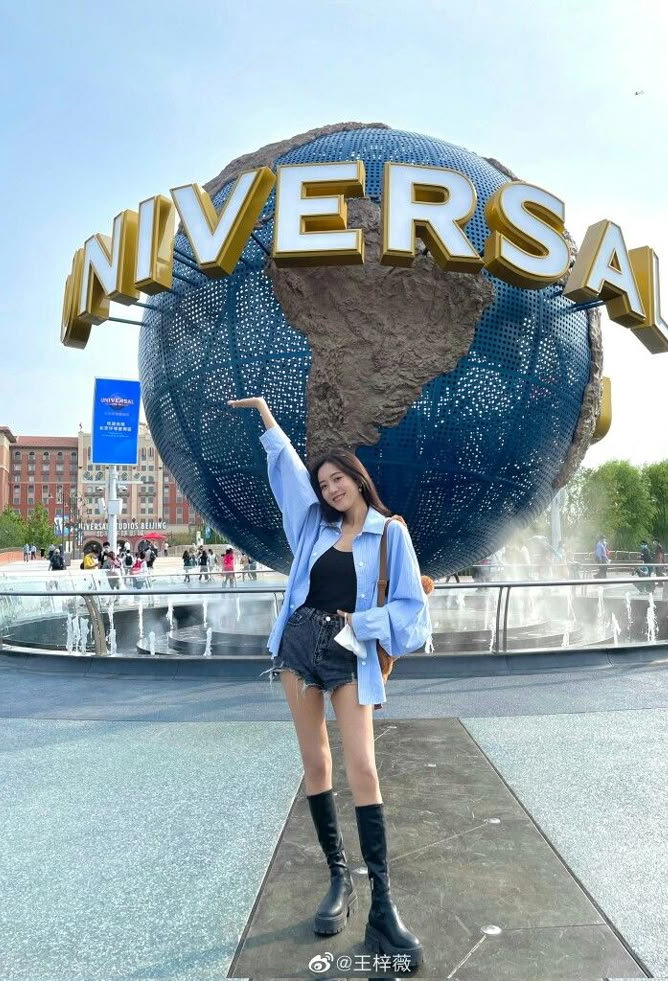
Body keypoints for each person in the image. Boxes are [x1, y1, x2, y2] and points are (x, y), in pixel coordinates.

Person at [228, 395, 430, 967]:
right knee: (316, 765)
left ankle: (383, 907)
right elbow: (288, 476)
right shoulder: (313, 526)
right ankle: (338, 880)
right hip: (297, 649)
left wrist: (360, 623)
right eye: (324, 483)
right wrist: (268, 418)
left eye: (339, 478)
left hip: (349, 654)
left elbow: (414, 617)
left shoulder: (392, 535)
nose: (331, 489)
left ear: (359, 480)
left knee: (362, 766)